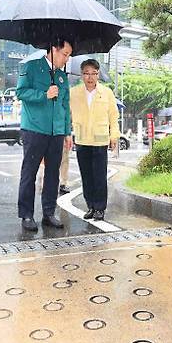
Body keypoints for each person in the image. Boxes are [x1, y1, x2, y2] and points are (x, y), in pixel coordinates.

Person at [16, 37, 73, 231]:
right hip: (34, 129)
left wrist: (67, 132)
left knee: (52, 175)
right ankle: (26, 215)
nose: (67, 59)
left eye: (69, 55)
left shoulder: (63, 77)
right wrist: (44, 95)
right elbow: (21, 92)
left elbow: (65, 106)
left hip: (56, 132)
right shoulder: (31, 67)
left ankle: (49, 213)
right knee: (29, 172)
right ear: (54, 49)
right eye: (65, 54)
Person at [70, 59, 120, 221]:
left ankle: (100, 208)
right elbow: (66, 114)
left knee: (99, 176)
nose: (90, 77)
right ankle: (90, 206)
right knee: (86, 176)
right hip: (82, 139)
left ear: (98, 74)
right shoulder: (74, 93)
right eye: (86, 73)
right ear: (81, 75)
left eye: (93, 73)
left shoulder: (106, 93)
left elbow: (114, 116)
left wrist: (114, 136)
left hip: (100, 140)